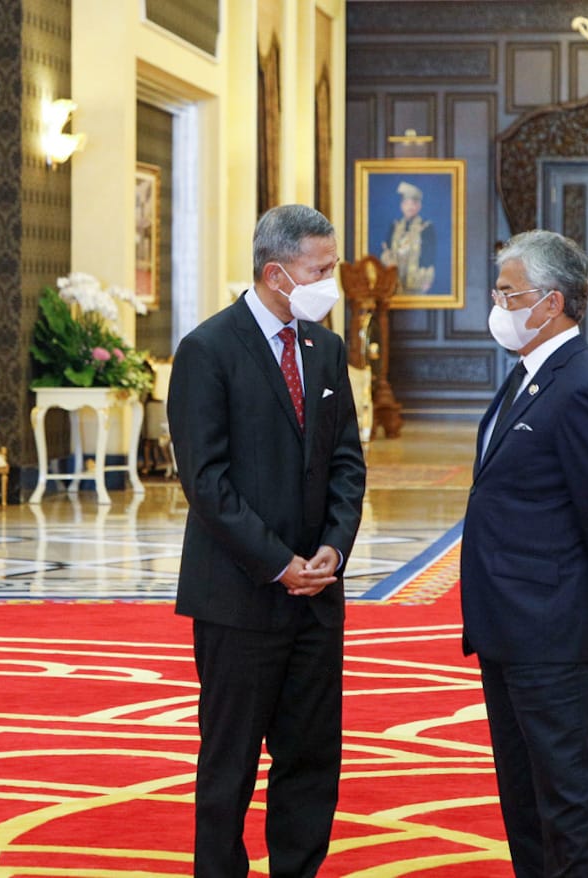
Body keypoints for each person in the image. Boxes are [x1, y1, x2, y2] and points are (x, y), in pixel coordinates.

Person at [167, 204, 366, 878]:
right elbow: (206, 481)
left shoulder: (325, 349)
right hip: (240, 596)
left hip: (317, 595)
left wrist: (334, 546)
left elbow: (347, 461)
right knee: (230, 764)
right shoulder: (208, 350)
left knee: (311, 758)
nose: (330, 282)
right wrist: (278, 563)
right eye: (320, 270)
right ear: (277, 274)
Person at [460, 229, 588, 877]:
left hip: (552, 628)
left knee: (564, 799)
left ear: (551, 302)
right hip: (507, 624)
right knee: (523, 797)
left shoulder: (582, 386)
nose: (499, 305)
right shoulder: (528, 376)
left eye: (509, 293)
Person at [380, 180, 436, 294]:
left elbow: (430, 255)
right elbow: (387, 249)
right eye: (407, 203)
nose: (410, 207)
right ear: (401, 206)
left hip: (417, 280)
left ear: (419, 206)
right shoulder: (395, 226)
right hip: (395, 280)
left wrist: (427, 280)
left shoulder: (426, 227)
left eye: (414, 204)